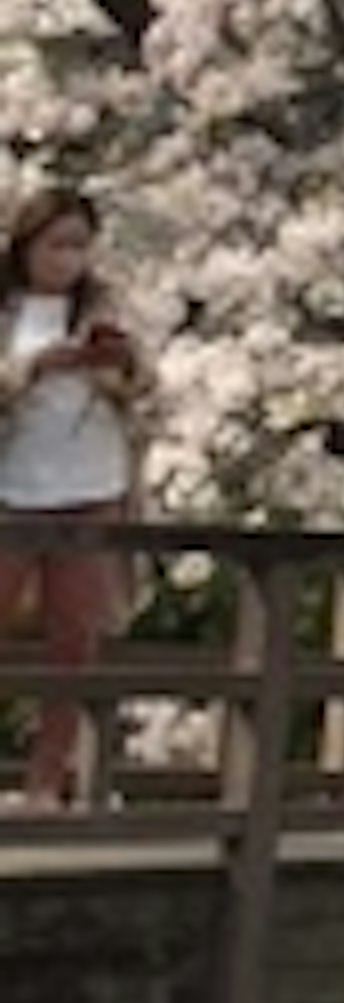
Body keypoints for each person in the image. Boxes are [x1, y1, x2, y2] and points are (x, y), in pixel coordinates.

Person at [0, 181, 152, 806]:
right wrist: (34, 369)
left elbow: (141, 388)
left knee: (74, 640)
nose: (68, 259)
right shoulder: (8, 310)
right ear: (28, 246)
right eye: (57, 245)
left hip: (91, 482)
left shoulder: (102, 306)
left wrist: (118, 368)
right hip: (13, 482)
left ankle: (47, 780)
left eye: (80, 247)